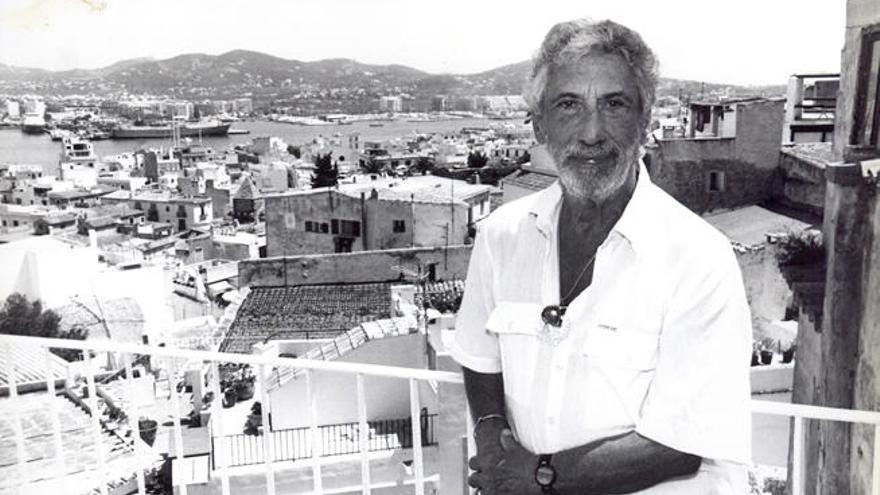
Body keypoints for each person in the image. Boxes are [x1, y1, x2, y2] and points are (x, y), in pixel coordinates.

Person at [448, 18, 752, 494]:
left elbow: (684, 441)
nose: (591, 132)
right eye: (569, 105)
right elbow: (480, 358)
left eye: (614, 104)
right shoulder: (502, 236)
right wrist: (491, 441)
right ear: (539, 124)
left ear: (645, 121)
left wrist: (540, 474)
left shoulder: (697, 257)